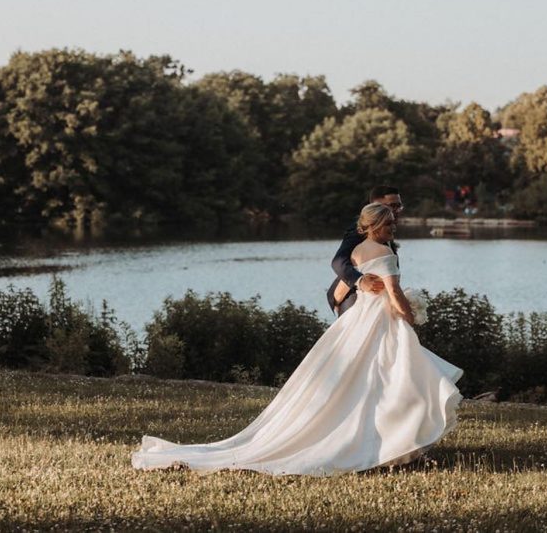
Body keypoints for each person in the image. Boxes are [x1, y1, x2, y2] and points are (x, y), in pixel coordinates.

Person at [131, 203, 462, 476]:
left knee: (372, 382)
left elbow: (350, 272)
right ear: (373, 225)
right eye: (388, 223)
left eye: (393, 223)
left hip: (358, 322)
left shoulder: (359, 251)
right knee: (400, 379)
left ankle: (394, 446)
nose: (393, 228)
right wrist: (410, 316)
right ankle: (395, 446)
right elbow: (394, 293)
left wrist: (366, 287)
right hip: (381, 323)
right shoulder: (386, 253)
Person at [327, 186, 404, 316]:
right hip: (353, 297)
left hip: (376, 299)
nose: (396, 211)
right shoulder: (359, 229)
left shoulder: (386, 228)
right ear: (374, 205)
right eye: (392, 206)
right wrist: (360, 281)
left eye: (399, 206)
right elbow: (338, 262)